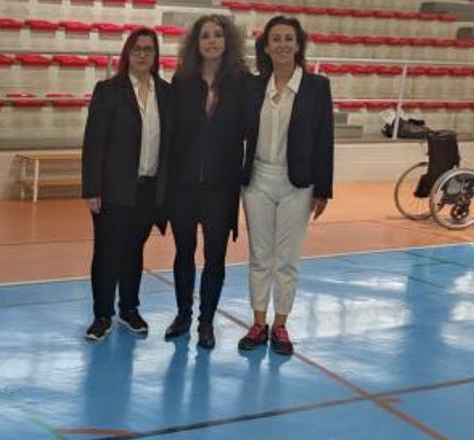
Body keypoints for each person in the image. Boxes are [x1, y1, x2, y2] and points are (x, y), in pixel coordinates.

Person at [238, 16, 335, 355]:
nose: (281, 44)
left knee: (288, 259)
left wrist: (323, 188)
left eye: (287, 39)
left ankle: (280, 325)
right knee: (259, 257)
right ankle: (258, 321)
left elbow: (325, 139)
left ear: (298, 45)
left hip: (298, 184)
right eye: (275, 38)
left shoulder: (317, 87)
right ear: (266, 46)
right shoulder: (253, 86)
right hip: (258, 181)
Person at [81, 26, 174, 342]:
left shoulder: (167, 92)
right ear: (127, 54)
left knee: (134, 252)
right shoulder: (108, 90)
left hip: (148, 190)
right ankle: (102, 315)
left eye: (149, 49)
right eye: (137, 49)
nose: (143, 54)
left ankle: (129, 309)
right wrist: (92, 189)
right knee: (107, 253)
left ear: (156, 55)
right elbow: (94, 143)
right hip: (113, 189)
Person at [165, 15, 249, 350]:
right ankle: (183, 314)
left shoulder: (242, 82)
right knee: (183, 252)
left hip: (221, 186)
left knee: (215, 257)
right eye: (204, 36)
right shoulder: (182, 81)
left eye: (217, 35)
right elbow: (170, 134)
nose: (211, 41)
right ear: (195, 43)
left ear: (227, 41)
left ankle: (206, 322)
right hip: (183, 185)